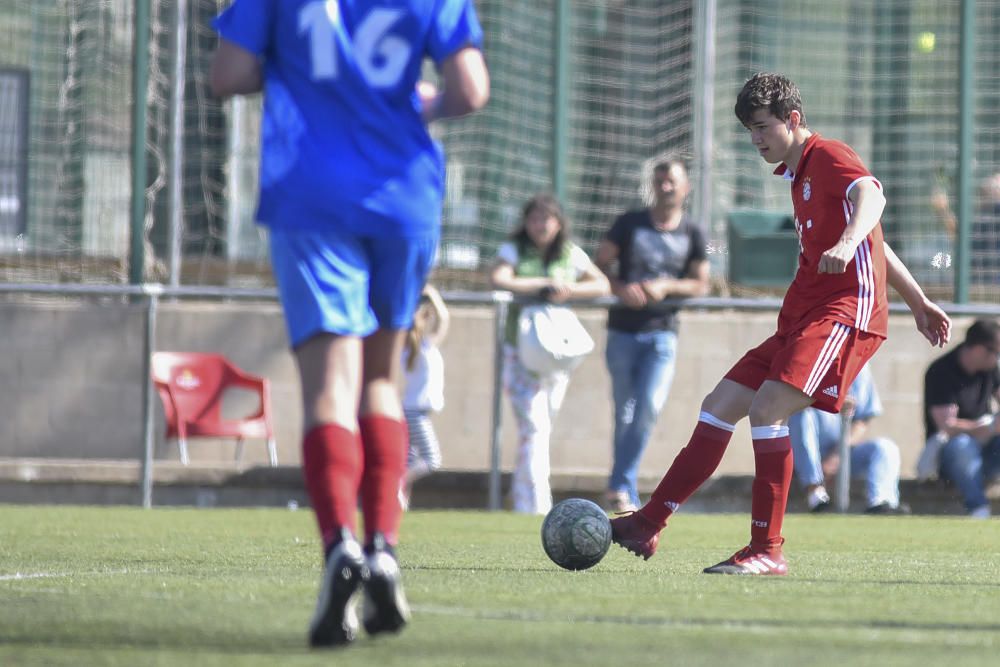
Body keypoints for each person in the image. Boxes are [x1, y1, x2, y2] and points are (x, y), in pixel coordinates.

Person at [209, 0, 489, 647]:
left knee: (330, 390)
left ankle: (341, 544)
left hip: (310, 193)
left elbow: (227, 76)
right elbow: (470, 91)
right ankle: (385, 546)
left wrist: (293, 70)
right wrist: (420, 102)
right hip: (403, 195)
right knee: (382, 381)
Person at [609, 72, 951, 575]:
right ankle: (649, 522)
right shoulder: (797, 174)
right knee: (720, 405)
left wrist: (846, 242)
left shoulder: (829, 155)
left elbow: (872, 200)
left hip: (843, 312)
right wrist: (919, 300)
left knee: (768, 408)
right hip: (803, 316)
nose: (756, 140)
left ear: (793, 120)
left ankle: (767, 549)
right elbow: (878, 237)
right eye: (749, 130)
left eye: (763, 127)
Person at [594, 157, 710, 513]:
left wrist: (666, 286)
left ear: (685, 187)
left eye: (672, 180)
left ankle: (618, 484)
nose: (665, 186)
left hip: (662, 334)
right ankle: (623, 489)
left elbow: (701, 285)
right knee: (625, 414)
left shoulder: (692, 232)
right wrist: (619, 288)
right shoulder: (629, 223)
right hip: (623, 332)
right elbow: (597, 265)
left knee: (648, 408)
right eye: (659, 180)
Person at [489, 194, 610, 514]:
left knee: (542, 428)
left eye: (547, 218)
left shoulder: (569, 254)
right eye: (534, 218)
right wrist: (540, 285)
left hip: (555, 354)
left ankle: (519, 499)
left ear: (558, 222)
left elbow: (601, 284)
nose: (541, 225)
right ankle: (537, 507)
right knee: (534, 428)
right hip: (520, 352)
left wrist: (567, 290)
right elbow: (499, 278)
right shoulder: (514, 250)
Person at [788, 363, 909, 515]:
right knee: (803, 416)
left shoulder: (860, 363)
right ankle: (816, 494)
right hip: (801, 456)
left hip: (843, 452)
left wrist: (837, 455)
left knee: (885, 448)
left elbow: (862, 421)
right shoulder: (807, 356)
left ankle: (881, 503)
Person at [917, 319, 1000, 518]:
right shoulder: (942, 371)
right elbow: (947, 426)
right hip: (949, 455)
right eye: (996, 352)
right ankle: (978, 508)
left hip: (986, 450)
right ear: (979, 349)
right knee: (962, 445)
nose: (998, 358)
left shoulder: (992, 369)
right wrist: (988, 428)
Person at [400, 284, 450, 509]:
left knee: (409, 460)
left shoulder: (409, 348)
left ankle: (400, 502)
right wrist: (433, 295)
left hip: (412, 409)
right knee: (431, 460)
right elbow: (444, 319)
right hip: (415, 411)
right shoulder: (423, 346)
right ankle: (397, 484)